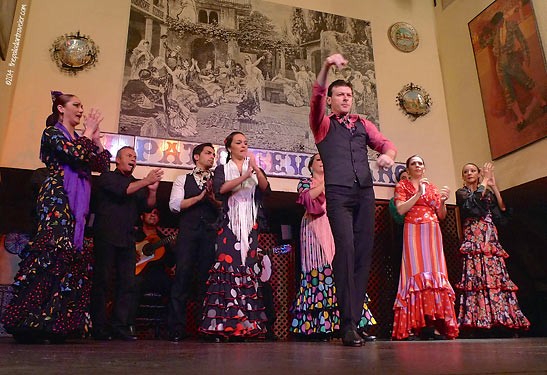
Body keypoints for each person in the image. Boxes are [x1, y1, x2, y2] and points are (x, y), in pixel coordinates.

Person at [1, 91, 111, 343]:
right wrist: (87, 134)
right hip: (56, 199)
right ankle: (30, 324)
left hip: (78, 205)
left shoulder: (79, 138)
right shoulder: (51, 133)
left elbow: (102, 166)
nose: (82, 110)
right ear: (61, 109)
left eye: (83, 106)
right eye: (76, 105)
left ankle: (58, 325)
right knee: (51, 256)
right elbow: (75, 155)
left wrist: (97, 139)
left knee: (70, 262)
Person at [310, 53, 397, 347]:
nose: (345, 99)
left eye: (349, 95)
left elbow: (386, 144)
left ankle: (354, 321)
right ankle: (347, 325)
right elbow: (316, 94)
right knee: (345, 252)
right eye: (340, 95)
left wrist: (387, 155)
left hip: (365, 194)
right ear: (331, 100)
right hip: (338, 194)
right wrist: (325, 66)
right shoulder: (322, 125)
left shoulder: (363, 124)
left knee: (362, 256)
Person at [290, 153, 377, 341]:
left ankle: (354, 325)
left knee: (344, 270)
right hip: (314, 229)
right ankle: (321, 327)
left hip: (337, 225)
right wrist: (327, 181)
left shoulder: (338, 184)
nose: (323, 162)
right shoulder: (305, 182)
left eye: (325, 159)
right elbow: (306, 199)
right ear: (311, 166)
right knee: (321, 271)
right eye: (319, 160)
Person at [199, 132, 269, 339]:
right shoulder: (222, 169)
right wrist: (245, 176)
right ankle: (222, 327)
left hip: (250, 225)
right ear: (229, 147)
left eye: (246, 143)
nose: (243, 145)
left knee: (248, 269)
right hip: (229, 224)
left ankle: (246, 326)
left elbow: (265, 188)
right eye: (238, 142)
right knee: (226, 268)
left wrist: (255, 169)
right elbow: (221, 189)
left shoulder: (253, 168)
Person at [90, 146, 163, 341]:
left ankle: (120, 327)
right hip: (106, 236)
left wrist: (153, 190)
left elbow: (148, 205)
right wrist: (146, 181)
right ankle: (99, 328)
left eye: (135, 157)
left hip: (128, 239)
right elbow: (124, 191)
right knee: (103, 282)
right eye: (129, 156)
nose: (133, 159)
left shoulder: (136, 183)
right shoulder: (107, 177)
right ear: (118, 160)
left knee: (127, 283)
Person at [456, 162, 530, 333]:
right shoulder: (462, 193)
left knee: (495, 275)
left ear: (478, 173)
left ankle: (501, 318)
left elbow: (502, 210)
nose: (469, 173)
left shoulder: (487, 192)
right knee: (477, 275)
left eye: (473, 170)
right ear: (462, 177)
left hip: (490, 237)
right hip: (474, 237)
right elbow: (473, 206)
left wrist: (493, 185)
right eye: (466, 171)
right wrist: (484, 181)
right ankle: (479, 320)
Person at [392, 155, 458, 340]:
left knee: (435, 274)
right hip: (413, 229)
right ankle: (413, 326)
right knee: (414, 274)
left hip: (432, 231)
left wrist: (443, 201)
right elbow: (400, 210)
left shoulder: (432, 188)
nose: (418, 166)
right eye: (414, 163)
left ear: (424, 167)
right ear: (408, 168)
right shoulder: (402, 186)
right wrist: (418, 194)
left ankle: (434, 325)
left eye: (421, 163)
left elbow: (441, 215)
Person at [167, 143, 220, 342]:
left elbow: (224, 207)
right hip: (188, 234)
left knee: (207, 281)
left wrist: (212, 199)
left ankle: (205, 328)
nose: (212, 157)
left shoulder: (218, 180)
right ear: (196, 157)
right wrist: (200, 197)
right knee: (182, 278)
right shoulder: (182, 179)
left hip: (209, 234)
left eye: (214, 154)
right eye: (208, 153)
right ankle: (176, 329)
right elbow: (174, 206)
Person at [128, 207, 175, 336]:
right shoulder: (134, 236)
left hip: (158, 275)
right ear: (142, 217)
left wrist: (172, 248)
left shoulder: (164, 238)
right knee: (132, 285)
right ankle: (129, 325)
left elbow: (171, 262)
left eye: (156, 213)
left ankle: (171, 328)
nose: (153, 215)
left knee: (175, 287)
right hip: (139, 274)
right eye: (149, 212)